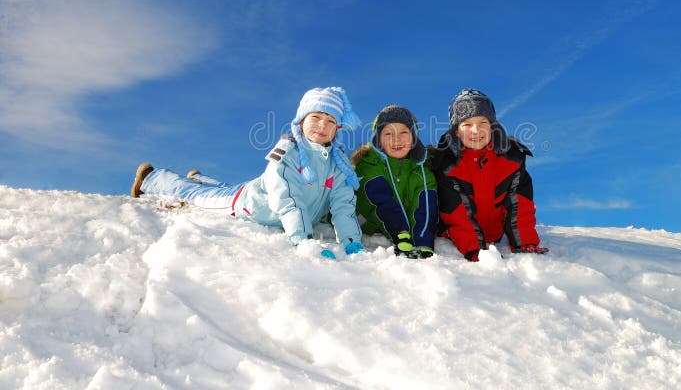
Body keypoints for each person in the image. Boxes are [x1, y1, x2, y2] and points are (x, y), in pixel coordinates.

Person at [130, 87, 365, 258]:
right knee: (195, 196)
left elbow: (343, 204)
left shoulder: (339, 163)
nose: (322, 125)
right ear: (301, 121)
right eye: (315, 117)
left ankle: (199, 178)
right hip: (249, 204)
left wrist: (351, 242)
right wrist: (303, 241)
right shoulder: (288, 152)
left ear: (338, 129)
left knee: (220, 188)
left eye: (330, 120)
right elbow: (288, 199)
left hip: (255, 195)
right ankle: (151, 177)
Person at [431, 89, 548, 262]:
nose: (476, 130)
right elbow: (456, 213)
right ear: (456, 131)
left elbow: (519, 205)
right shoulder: (448, 166)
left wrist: (524, 243)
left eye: (482, 123)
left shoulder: (511, 160)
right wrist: (475, 249)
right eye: (467, 125)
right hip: (455, 236)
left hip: (495, 233)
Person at [351, 105, 438, 259]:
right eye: (388, 133)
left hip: (403, 231)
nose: (396, 139)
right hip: (368, 225)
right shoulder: (369, 165)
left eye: (404, 132)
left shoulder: (422, 172)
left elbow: (424, 208)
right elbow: (379, 200)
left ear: (414, 139)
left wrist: (423, 242)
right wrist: (400, 234)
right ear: (378, 140)